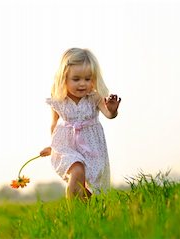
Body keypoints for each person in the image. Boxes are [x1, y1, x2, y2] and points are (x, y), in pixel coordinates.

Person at [39, 48, 121, 200]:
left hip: (92, 147)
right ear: (64, 77)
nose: (82, 84)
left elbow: (109, 114)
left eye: (88, 79)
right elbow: (54, 124)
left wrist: (112, 110)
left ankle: (85, 215)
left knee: (88, 188)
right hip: (66, 146)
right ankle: (74, 214)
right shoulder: (58, 99)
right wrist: (53, 147)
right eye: (76, 79)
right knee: (77, 170)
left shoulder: (94, 96)